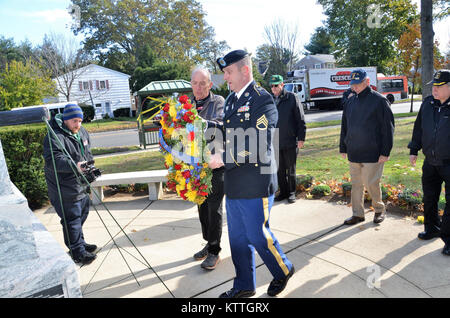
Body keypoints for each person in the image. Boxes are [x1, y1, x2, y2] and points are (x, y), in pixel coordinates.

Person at [208, 50, 294, 298]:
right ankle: (244, 284)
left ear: (245, 70)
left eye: (228, 72)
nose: (225, 77)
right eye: (224, 72)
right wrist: (202, 129)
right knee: (237, 238)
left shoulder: (262, 99)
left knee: (258, 235)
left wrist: (223, 157)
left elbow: (259, 141)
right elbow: (227, 131)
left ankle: (283, 269)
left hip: (256, 180)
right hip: (234, 181)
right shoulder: (232, 100)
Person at [43, 103, 97, 265]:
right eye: (74, 121)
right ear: (66, 120)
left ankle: (80, 243)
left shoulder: (82, 132)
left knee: (82, 215)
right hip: (63, 187)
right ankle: (77, 252)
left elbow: (87, 152)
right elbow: (54, 160)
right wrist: (75, 166)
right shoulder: (54, 135)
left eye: (80, 121)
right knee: (71, 220)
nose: (78, 125)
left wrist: (89, 168)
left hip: (81, 183)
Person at [339, 69, 395, 225]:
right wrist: (343, 147)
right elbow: (345, 126)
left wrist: (385, 152)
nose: (355, 87)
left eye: (358, 84)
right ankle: (357, 214)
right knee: (356, 184)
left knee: (371, 183)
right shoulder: (350, 101)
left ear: (367, 82)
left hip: (373, 152)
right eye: (353, 84)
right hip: (354, 151)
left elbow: (388, 128)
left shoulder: (379, 101)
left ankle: (379, 210)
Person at [408, 69, 450, 255]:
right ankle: (432, 228)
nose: (434, 89)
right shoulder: (427, 104)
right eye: (433, 85)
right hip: (430, 162)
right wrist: (413, 149)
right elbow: (418, 128)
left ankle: (448, 239)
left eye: (439, 86)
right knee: (430, 197)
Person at [190, 66, 225, 270]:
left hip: (215, 163)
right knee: (202, 207)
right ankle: (208, 242)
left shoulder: (218, 101)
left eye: (203, 83)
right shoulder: (186, 105)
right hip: (196, 166)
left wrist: (199, 122)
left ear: (210, 84)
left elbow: (220, 124)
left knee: (214, 208)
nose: (199, 87)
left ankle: (214, 251)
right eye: (195, 83)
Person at [269, 74, 306, 203]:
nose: (274, 88)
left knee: (291, 168)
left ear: (282, 85)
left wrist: (301, 138)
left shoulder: (292, 97)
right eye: (272, 86)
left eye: (276, 85)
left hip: (290, 139)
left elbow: (300, 119)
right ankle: (283, 192)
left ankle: (291, 193)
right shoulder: (270, 100)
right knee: (279, 169)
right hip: (275, 140)